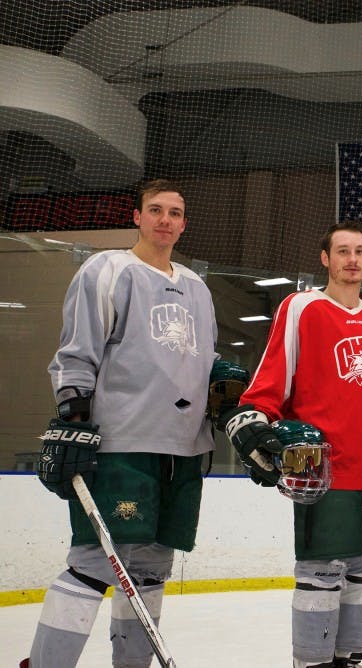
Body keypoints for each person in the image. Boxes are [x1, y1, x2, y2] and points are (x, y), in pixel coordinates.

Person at [27, 179, 222, 667]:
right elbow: (76, 354)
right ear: (135, 216)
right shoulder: (108, 269)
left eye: (175, 213)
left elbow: (206, 359)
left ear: (184, 222)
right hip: (121, 443)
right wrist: (73, 414)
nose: (165, 221)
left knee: (153, 569)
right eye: (155, 210)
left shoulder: (198, 287)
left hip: (185, 447)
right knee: (94, 564)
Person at [222, 220, 362, 668]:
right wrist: (255, 415)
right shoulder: (302, 308)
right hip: (323, 472)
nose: (353, 260)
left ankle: (349, 662)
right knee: (321, 577)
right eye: (343, 251)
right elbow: (273, 374)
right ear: (325, 259)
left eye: (360, 251)